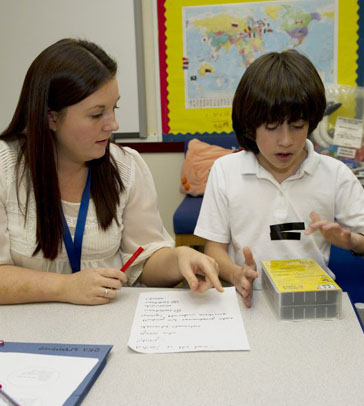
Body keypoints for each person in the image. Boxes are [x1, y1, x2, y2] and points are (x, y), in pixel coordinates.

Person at [0, 38, 223, 305]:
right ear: (52, 117)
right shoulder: (6, 167)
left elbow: (145, 260)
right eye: (96, 115)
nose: (113, 124)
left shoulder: (126, 167)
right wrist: (65, 287)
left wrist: (180, 258)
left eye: (114, 108)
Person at [194, 49, 364, 308]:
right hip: (248, 300)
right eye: (272, 127)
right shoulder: (225, 171)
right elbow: (214, 249)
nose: (286, 141)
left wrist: (350, 241)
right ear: (251, 126)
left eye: (297, 126)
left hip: (313, 301)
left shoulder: (335, 174)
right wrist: (235, 273)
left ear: (312, 121)